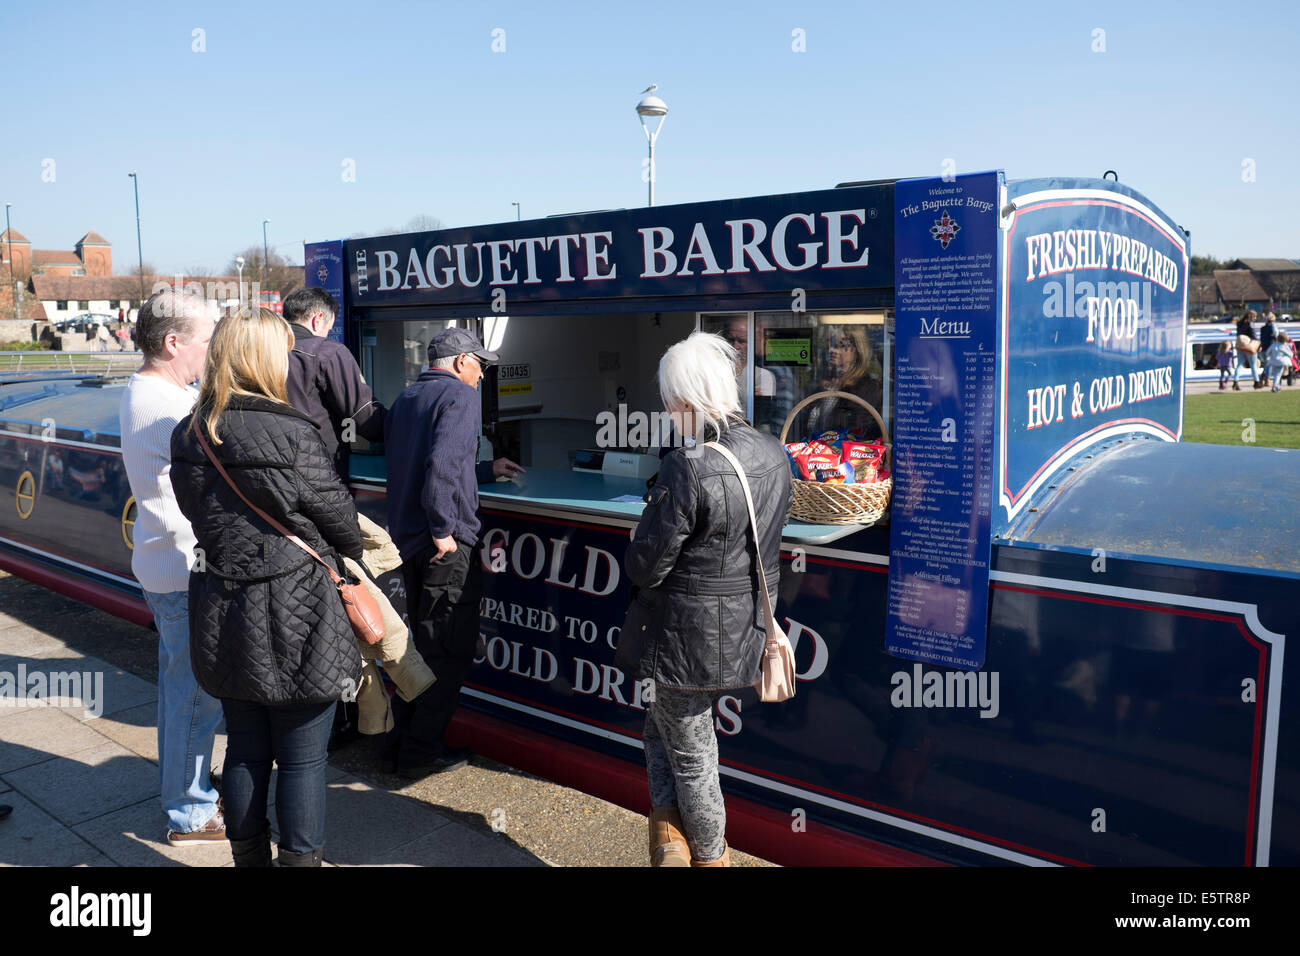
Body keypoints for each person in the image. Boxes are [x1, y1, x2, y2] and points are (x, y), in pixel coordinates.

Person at [170, 307, 364, 867]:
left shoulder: (192, 431)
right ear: (263, 357)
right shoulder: (293, 431)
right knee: (302, 759)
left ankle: (249, 861)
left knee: (245, 750)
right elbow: (343, 525)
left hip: (221, 607)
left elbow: (197, 513)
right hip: (299, 610)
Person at [616, 331, 793, 867]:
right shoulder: (772, 450)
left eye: (670, 405)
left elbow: (648, 565)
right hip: (742, 630)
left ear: (686, 401)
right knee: (659, 727)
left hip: (684, 638)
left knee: (693, 759)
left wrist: (639, 537)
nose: (669, 415)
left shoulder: (688, 465)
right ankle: (668, 839)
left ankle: (709, 858)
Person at [382, 327, 524, 778]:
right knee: (447, 648)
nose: (481, 375)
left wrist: (484, 468)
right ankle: (421, 753)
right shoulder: (461, 399)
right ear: (461, 362)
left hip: (408, 542)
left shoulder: (406, 398)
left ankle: (401, 742)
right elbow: (441, 466)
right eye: (479, 365)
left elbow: (428, 461)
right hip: (444, 546)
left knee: (418, 648)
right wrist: (445, 530)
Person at [117, 289, 225, 846]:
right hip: (183, 571)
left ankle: (187, 792)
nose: (211, 352)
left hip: (164, 565)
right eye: (207, 341)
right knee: (194, 697)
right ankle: (189, 810)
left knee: (180, 690)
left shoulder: (149, 393)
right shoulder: (166, 409)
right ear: (174, 342)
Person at [283, 287, 385, 483]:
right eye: (328, 329)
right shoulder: (328, 352)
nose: (327, 334)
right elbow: (363, 415)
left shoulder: (261, 351)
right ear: (317, 319)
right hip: (318, 473)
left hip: (270, 474)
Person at [1234, 311, 1260, 390]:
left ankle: (1235, 382)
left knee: (1239, 365)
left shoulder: (1239, 324)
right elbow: (1254, 336)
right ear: (1251, 316)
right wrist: (1259, 344)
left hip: (1240, 346)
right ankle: (1256, 382)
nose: (1255, 318)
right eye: (1254, 317)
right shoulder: (1250, 324)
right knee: (1253, 365)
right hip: (1249, 346)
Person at [1259, 313, 1278, 387]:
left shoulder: (1262, 328)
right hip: (1270, 348)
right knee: (1269, 365)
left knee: (1266, 365)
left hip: (1263, 348)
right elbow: (1276, 337)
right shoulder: (1273, 327)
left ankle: (1262, 378)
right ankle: (1267, 379)